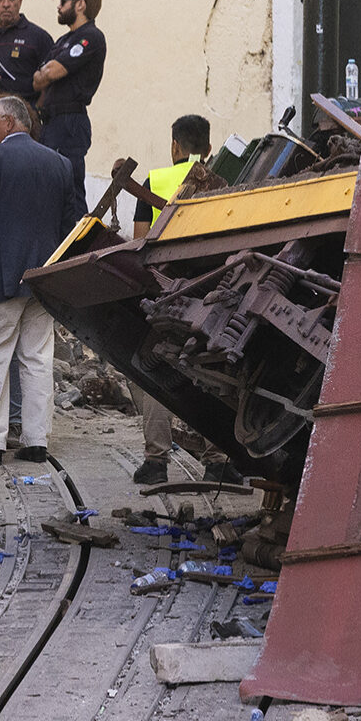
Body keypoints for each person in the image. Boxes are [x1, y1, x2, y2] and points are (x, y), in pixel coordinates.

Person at [0, 95, 85, 464]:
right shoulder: (60, 163)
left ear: (9, 122)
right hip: (42, 280)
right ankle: (35, 439)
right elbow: (69, 226)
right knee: (38, 359)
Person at [126, 114, 244, 485]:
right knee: (210, 372)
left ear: (174, 145)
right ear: (208, 148)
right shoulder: (226, 182)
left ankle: (156, 462)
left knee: (154, 370)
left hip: (165, 292)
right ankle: (218, 461)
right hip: (213, 291)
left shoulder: (154, 180)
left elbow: (140, 243)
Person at [32, 0, 105, 205]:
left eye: (64, 1)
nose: (59, 6)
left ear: (80, 5)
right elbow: (36, 81)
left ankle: (78, 228)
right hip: (51, 122)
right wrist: (46, 73)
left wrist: (48, 72)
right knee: (49, 185)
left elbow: (51, 72)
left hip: (70, 121)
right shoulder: (63, 40)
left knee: (70, 187)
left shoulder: (91, 36)